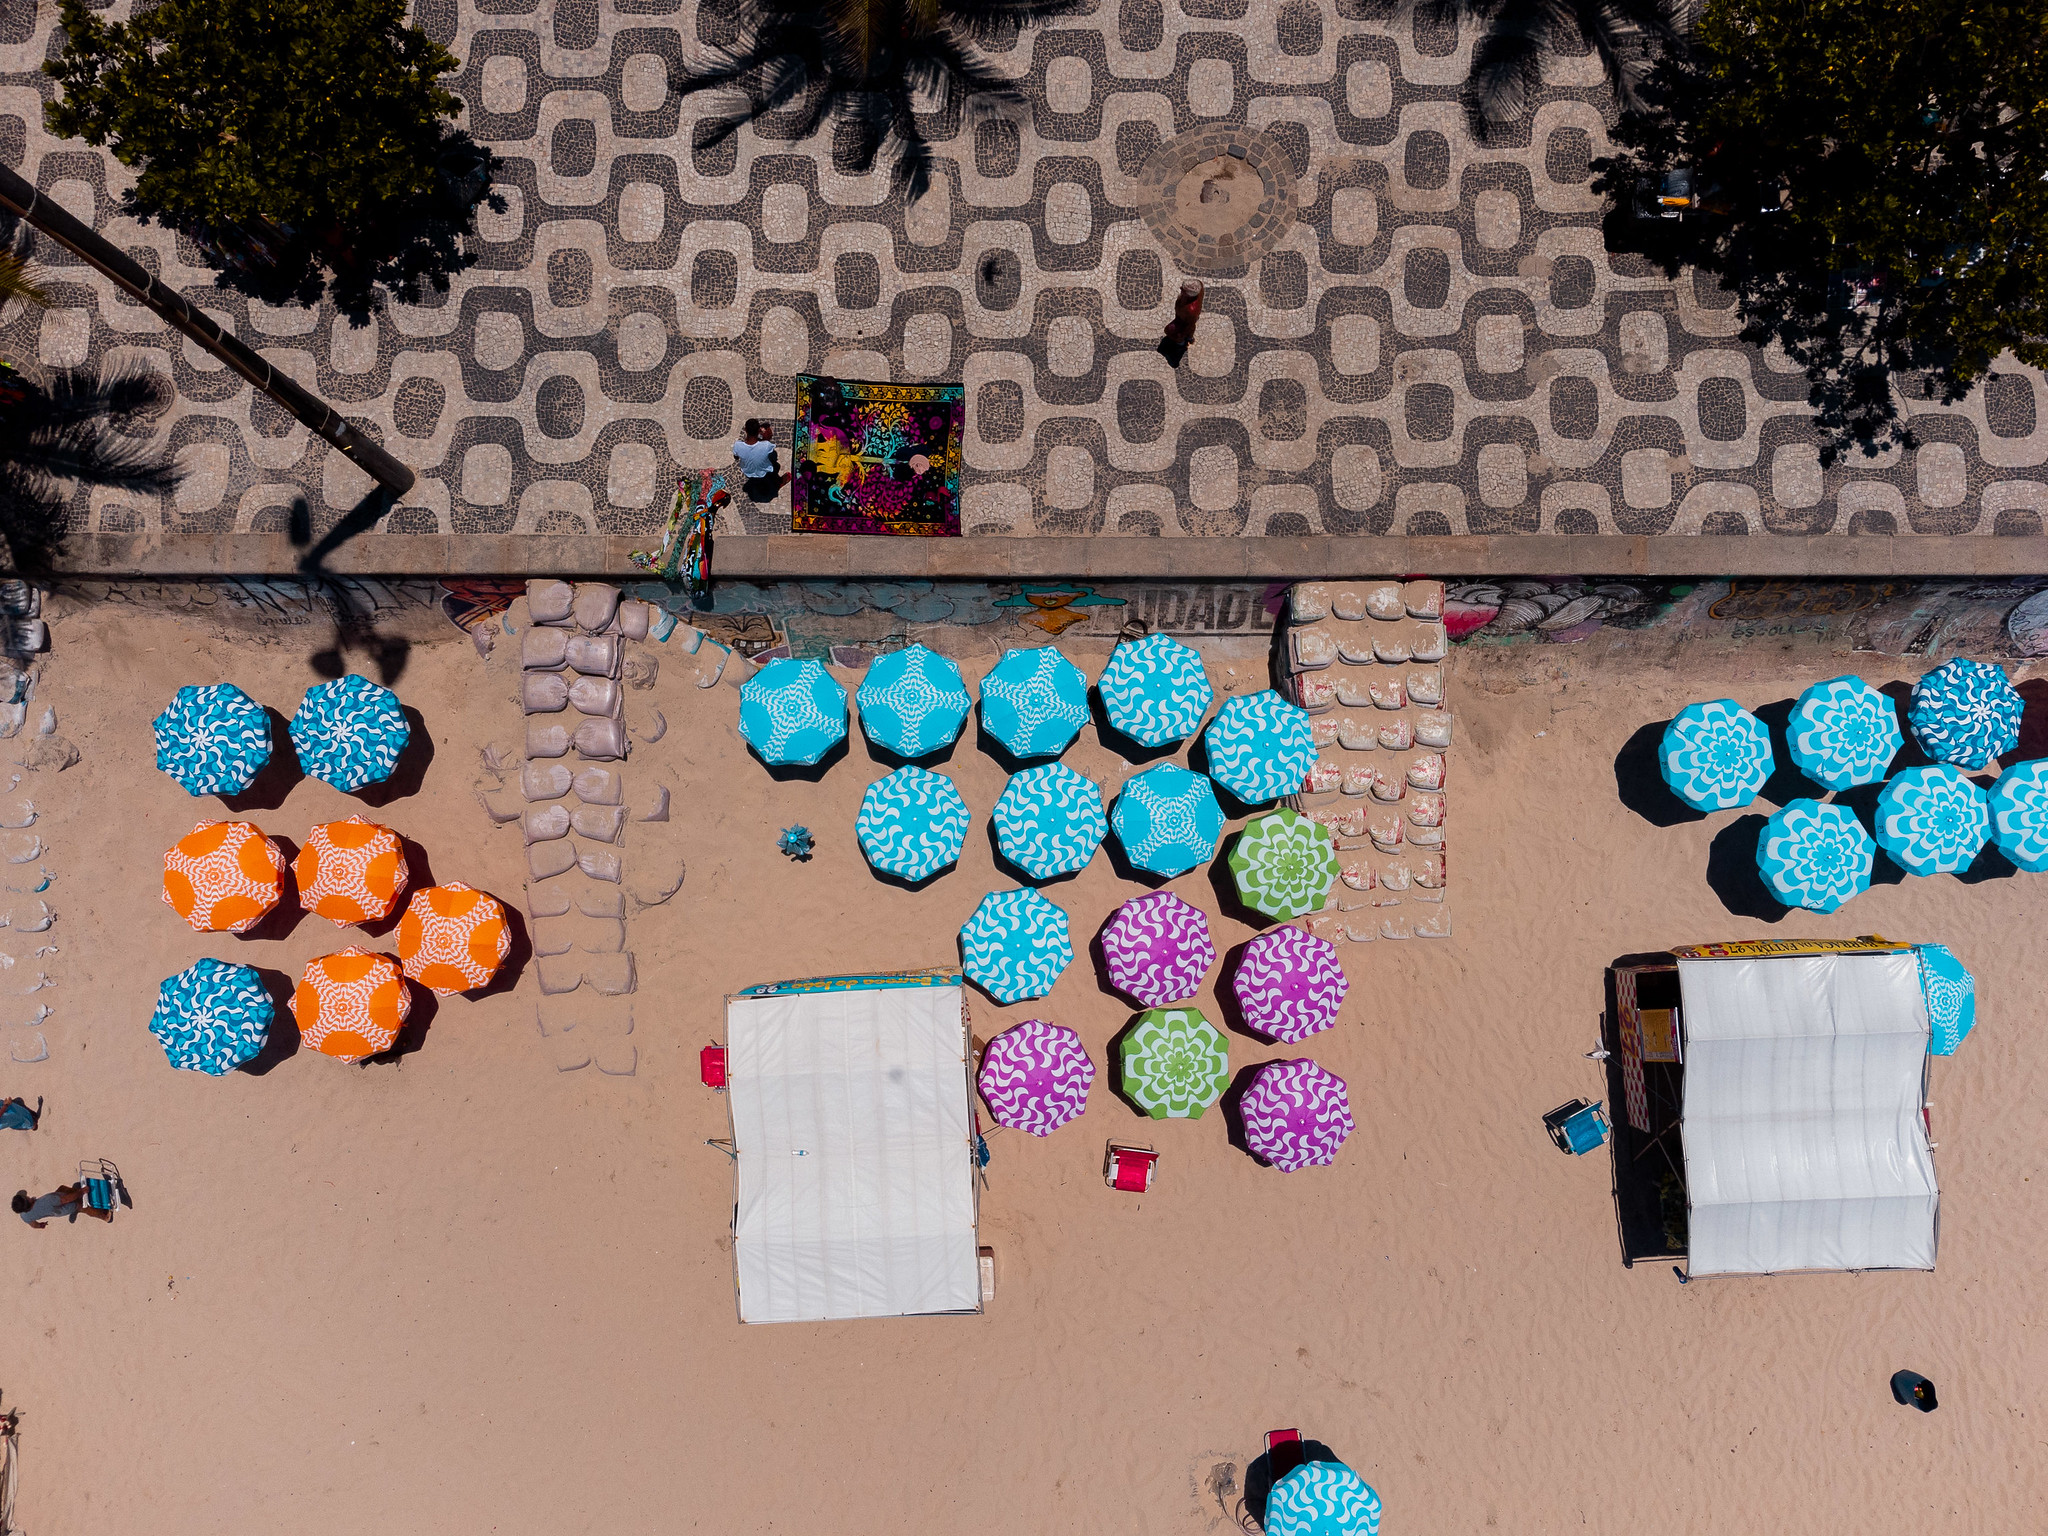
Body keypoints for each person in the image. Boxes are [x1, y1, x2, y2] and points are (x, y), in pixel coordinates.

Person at [731, 419, 793, 503]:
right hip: (765, 472)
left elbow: (736, 457)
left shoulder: (737, 445)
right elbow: (773, 453)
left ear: (745, 430)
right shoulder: (766, 445)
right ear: (759, 430)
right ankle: (778, 483)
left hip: (748, 471)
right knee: (775, 465)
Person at [13, 1185, 102, 1227]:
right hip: (64, 1207)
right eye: (25, 1196)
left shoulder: (24, 1216)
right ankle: (105, 1215)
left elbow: (34, 1225)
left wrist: (41, 1225)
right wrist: (81, 1191)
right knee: (81, 1206)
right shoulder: (47, 1201)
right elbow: (66, 1200)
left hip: (55, 1211)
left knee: (62, 1188)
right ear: (27, 1200)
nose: (27, 1196)